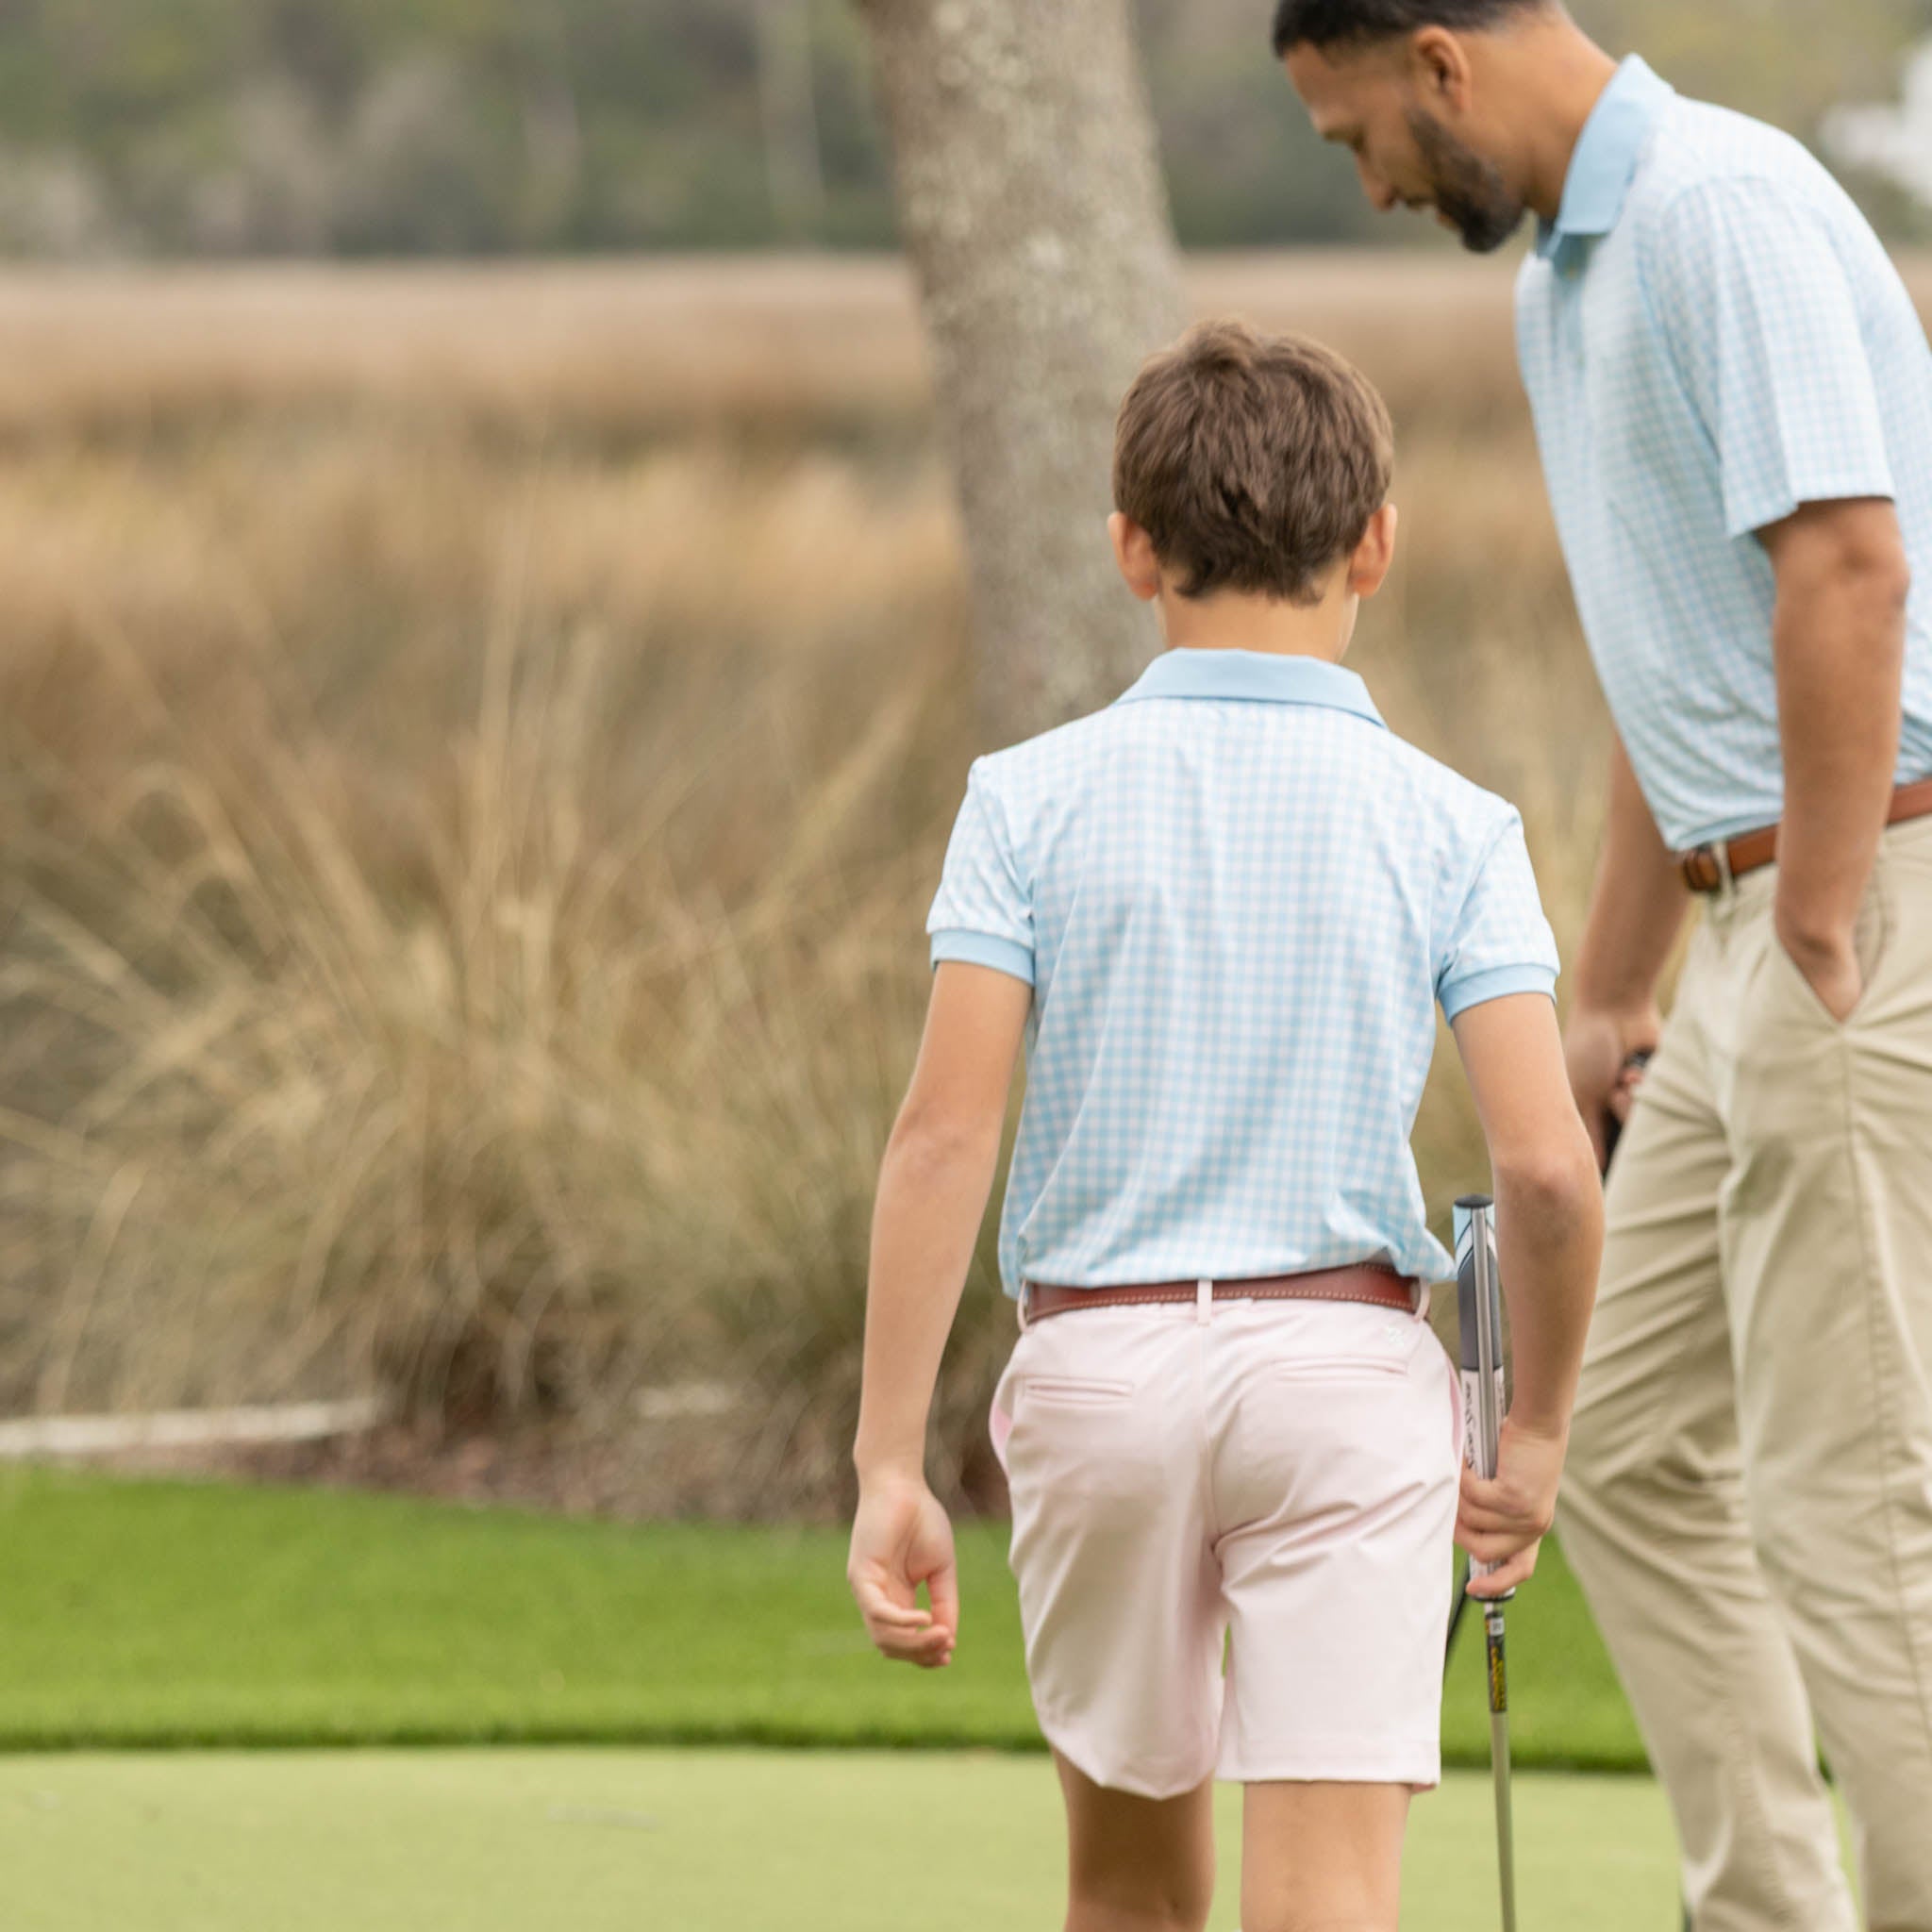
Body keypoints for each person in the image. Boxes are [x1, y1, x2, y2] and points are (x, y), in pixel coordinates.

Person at [1275, 6, 1932, 1927]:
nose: (1371, 177)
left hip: (1866, 898)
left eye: (1356, 135)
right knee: (1624, 1444)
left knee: (1850, 1498)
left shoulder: (1719, 210)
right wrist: (1611, 989)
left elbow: (1845, 569)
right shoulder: (1565, 281)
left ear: (1439, 60)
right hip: (1752, 930)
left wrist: (1811, 914)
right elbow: (1686, 660)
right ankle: (1768, 1910)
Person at [845, 319, 1603, 1932]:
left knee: (1126, 1898)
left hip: (1097, 1375)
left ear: (1132, 550)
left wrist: (884, 1459)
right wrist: (1529, 1442)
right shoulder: (1456, 825)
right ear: (1378, 544)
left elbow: (940, 1143)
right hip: (1341, 1379)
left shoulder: (1024, 797)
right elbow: (1546, 1166)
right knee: (1328, 1907)